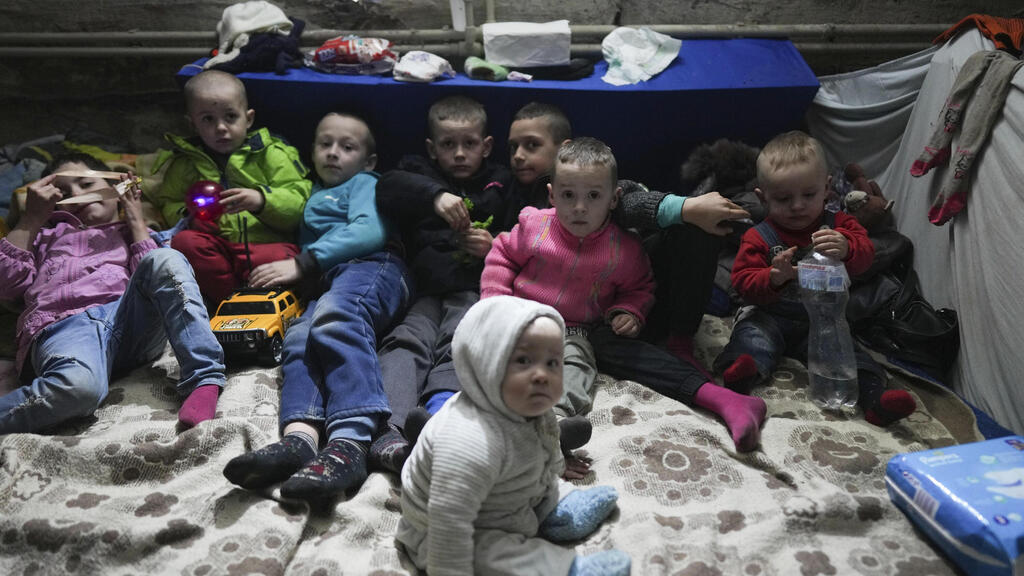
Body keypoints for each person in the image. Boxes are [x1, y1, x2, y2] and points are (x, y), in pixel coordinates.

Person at [483, 138, 768, 458]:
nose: (579, 207)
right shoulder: (534, 225)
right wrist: (494, 302)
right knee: (479, 348)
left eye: (593, 196)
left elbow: (640, 287)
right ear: (551, 194)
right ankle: (452, 414)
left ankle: (556, 422)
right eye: (567, 195)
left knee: (577, 367)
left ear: (614, 198)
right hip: (520, 317)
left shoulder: (625, 248)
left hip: (580, 331)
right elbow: (501, 254)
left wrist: (630, 311)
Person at [222, 112, 413, 502]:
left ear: (369, 161)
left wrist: (302, 264)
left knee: (336, 318)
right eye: (325, 144)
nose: (333, 153)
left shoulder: (365, 182)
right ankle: (301, 439)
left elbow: (369, 230)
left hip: (375, 265)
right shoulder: (308, 195)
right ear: (311, 152)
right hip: (329, 282)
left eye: (347, 147)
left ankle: (350, 443)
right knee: (299, 337)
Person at [396, 295, 631, 576]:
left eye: (553, 362)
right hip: (446, 532)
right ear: (485, 363)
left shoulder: (532, 406)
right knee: (492, 553)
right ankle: (567, 569)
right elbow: (449, 523)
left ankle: (558, 510)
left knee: (543, 482)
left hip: (510, 497)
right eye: (523, 360)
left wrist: (556, 468)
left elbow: (547, 442)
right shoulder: (466, 440)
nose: (542, 375)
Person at [0, 153, 226, 434]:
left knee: (166, 259)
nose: (79, 195)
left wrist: (134, 219)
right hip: (65, 329)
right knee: (78, 390)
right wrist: (30, 220)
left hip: (129, 323)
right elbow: (6, 285)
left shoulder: (133, 233)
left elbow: (158, 278)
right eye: (66, 193)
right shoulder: (42, 238)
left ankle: (204, 378)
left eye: (86, 184)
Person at [713, 131, 916, 426]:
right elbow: (742, 283)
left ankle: (876, 400)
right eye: (783, 198)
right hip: (771, 313)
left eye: (809, 195)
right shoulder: (758, 236)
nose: (797, 206)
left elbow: (866, 258)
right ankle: (742, 375)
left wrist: (847, 248)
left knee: (851, 356)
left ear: (827, 188)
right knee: (753, 336)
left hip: (822, 318)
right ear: (763, 197)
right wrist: (772, 276)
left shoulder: (841, 226)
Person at [375, 94, 517, 447]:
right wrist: (435, 195)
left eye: (469, 144)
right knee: (405, 341)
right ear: (432, 148)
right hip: (423, 290)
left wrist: (494, 244)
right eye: (448, 144)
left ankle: (441, 412)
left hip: (473, 288)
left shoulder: (501, 180)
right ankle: (392, 426)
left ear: (486, 147)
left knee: (461, 339)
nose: (458, 153)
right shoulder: (417, 170)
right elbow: (386, 187)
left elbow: (525, 231)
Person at [152, 69, 311, 306]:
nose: (221, 128)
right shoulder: (185, 164)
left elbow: (300, 199)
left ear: (248, 118)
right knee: (185, 243)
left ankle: (267, 303)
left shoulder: (271, 154)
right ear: (192, 124)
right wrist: (190, 216)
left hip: (265, 245)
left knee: (285, 257)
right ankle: (227, 302)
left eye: (230, 117)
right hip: (217, 249)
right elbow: (168, 201)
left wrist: (262, 200)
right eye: (208, 119)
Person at [508, 101, 572, 209]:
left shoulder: (575, 202)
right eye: (514, 146)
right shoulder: (503, 189)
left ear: (564, 150)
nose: (517, 156)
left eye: (532, 144)